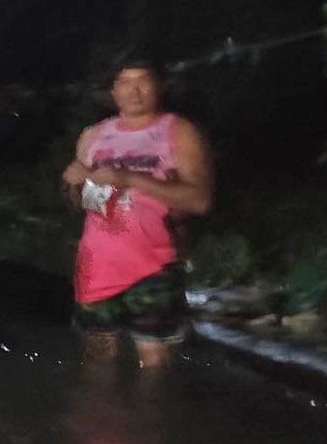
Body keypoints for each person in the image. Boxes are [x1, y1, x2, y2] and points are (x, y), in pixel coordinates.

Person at [61, 56, 213, 369]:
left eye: (143, 80)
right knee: (97, 365)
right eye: (125, 81)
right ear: (113, 90)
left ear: (160, 86)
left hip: (155, 266)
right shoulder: (92, 136)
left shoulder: (180, 132)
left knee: (156, 369)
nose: (134, 90)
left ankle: (155, 417)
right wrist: (72, 183)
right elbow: (80, 204)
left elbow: (200, 201)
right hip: (96, 267)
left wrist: (129, 179)